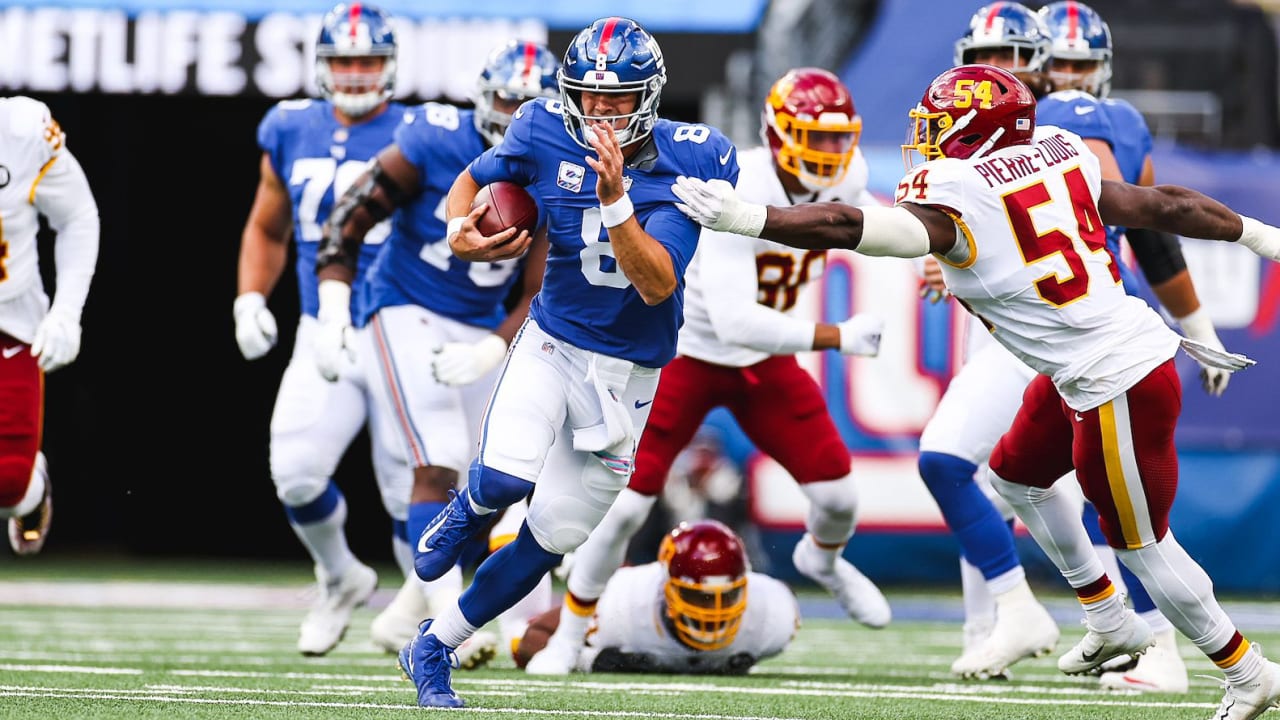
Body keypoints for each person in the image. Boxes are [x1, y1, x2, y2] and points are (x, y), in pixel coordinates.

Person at [672, 63, 1280, 720]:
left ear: (974, 129)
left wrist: (750, 218)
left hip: (1116, 379)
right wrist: (1262, 235)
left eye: (938, 126)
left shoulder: (958, 190)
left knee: (1145, 545)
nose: (928, 138)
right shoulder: (1060, 155)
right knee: (1015, 475)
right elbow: (1164, 208)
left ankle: (1246, 671)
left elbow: (849, 228)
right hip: (1085, 368)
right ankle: (1107, 614)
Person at [395, 16, 739, 708]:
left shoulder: (697, 158)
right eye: (588, 96)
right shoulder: (541, 127)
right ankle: (468, 505)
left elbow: (656, 282)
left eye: (617, 99)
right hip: (553, 342)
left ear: (650, 96)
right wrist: (457, 231)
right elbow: (472, 178)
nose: (601, 111)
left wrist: (615, 201)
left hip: (630, 378)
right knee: (504, 476)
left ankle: (432, 647)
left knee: (552, 537)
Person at [524, 67, 889, 676]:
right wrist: (836, 337)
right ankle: (568, 631)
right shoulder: (732, 179)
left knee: (839, 499)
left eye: (836, 139)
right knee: (626, 509)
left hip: (765, 364)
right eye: (813, 138)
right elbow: (734, 321)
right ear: (778, 134)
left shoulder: (850, 177)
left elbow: (871, 219)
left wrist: (929, 262)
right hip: (686, 355)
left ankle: (821, 561)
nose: (828, 155)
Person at [916, 0, 1227, 684]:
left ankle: (1155, 644)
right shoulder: (975, 128)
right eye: (1063, 65)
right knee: (1009, 478)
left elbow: (1142, 222)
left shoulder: (1076, 121)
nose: (1070, 80)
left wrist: (1200, 324)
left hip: (1067, 322)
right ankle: (1011, 623)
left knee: (1091, 493)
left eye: (1079, 66)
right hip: (1022, 321)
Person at [314, 38, 561, 660]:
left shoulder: (562, 168)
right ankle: (441, 624)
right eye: (507, 98)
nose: (514, 116)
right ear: (484, 95)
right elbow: (351, 213)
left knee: (501, 477)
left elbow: (542, 291)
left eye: (531, 104)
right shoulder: (436, 139)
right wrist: (335, 300)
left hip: (481, 327)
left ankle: (403, 614)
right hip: (404, 307)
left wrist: (495, 346)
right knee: (441, 457)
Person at [234, 1, 419, 657]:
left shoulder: (420, 131)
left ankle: (418, 612)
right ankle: (340, 576)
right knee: (296, 471)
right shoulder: (289, 126)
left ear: (390, 64)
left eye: (368, 58)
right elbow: (267, 225)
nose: (357, 71)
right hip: (323, 324)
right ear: (322, 65)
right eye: (344, 59)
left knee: (410, 489)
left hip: (404, 325)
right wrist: (250, 298)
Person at [0, 96, 99, 556]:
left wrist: (66, 312)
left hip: (8, 318)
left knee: (7, 486)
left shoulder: (21, 131)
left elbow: (77, 214)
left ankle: (31, 487)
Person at [514, 519, 798, 675]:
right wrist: (591, 659)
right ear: (667, 586)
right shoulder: (623, 600)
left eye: (727, 595)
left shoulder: (772, 615)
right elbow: (531, 640)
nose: (714, 610)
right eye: (698, 597)